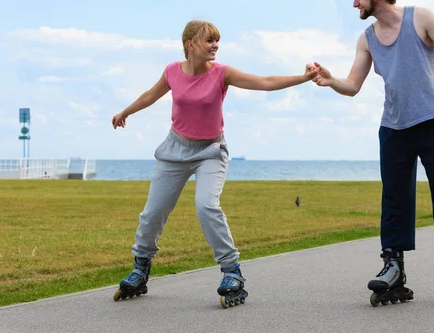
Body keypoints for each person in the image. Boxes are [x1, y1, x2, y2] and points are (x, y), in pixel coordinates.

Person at [311, 0, 434, 306]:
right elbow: (352, 86)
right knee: (394, 198)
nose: (354, 3)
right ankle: (393, 265)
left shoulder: (421, 18)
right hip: (394, 128)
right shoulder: (366, 38)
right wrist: (330, 80)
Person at [112, 20, 317, 307]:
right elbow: (150, 94)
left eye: (217, 41)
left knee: (206, 206)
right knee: (153, 212)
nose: (215, 46)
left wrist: (302, 78)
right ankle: (140, 268)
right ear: (190, 44)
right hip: (175, 149)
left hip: (210, 151)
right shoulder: (172, 71)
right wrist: (125, 112)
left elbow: (265, 82)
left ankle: (232, 272)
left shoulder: (222, 73)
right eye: (209, 41)